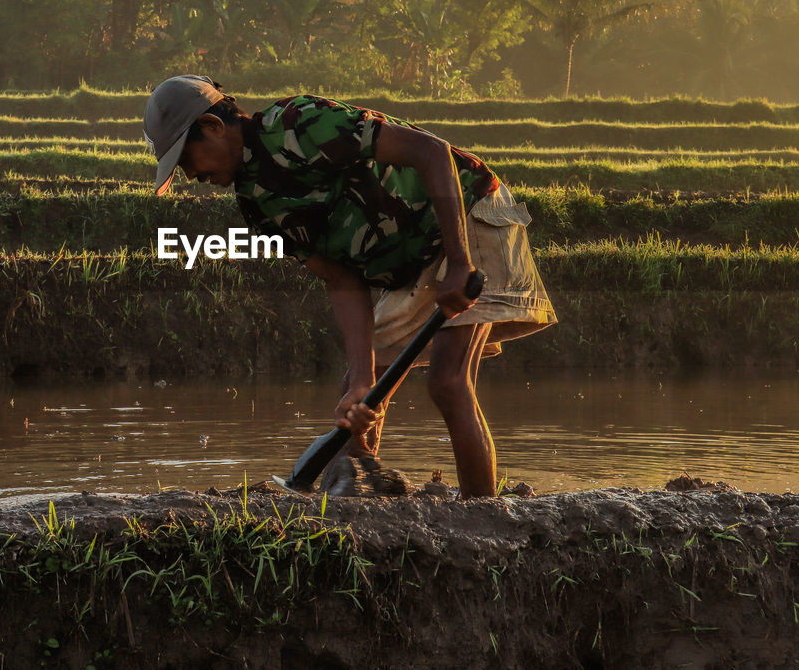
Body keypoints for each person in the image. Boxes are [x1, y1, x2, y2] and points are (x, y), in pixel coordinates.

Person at [143, 74, 555, 498]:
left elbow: (430, 153)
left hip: (466, 214)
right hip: (411, 259)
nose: (190, 175)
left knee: (449, 381)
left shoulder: (299, 123)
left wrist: (459, 260)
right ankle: (363, 495)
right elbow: (341, 278)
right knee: (358, 395)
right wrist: (361, 376)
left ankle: (483, 516)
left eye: (186, 160)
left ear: (212, 127)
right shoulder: (257, 205)